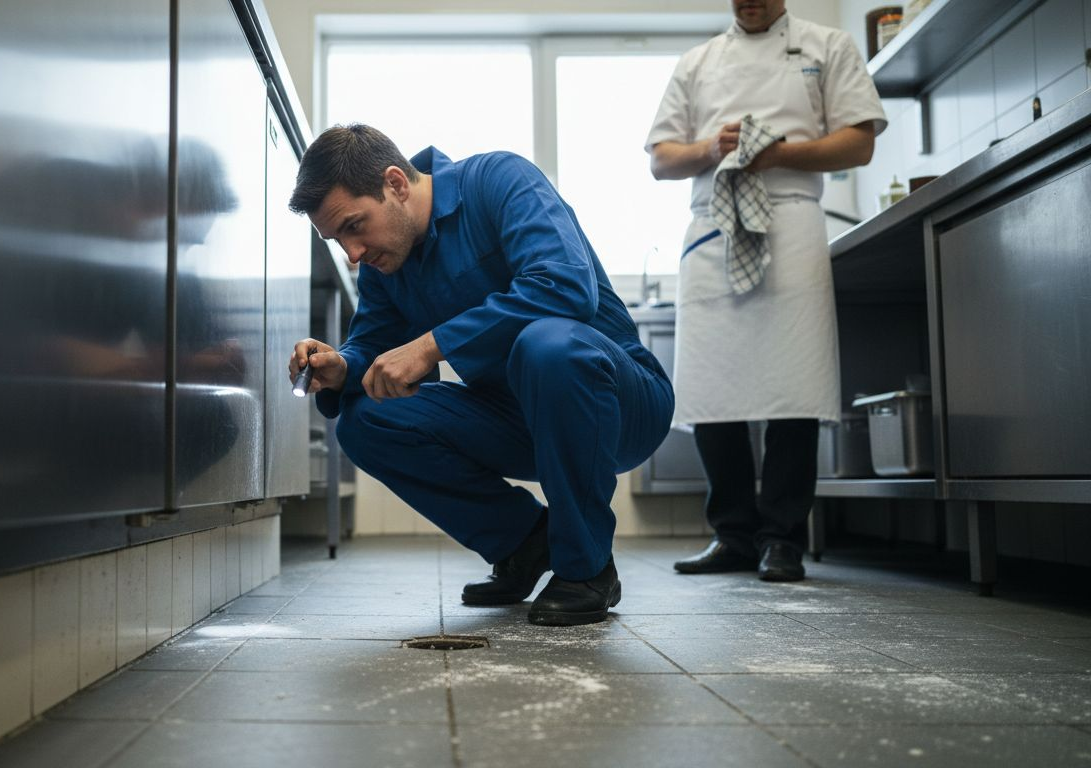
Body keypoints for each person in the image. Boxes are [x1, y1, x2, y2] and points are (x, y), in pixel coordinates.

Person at [286, 124, 674, 626]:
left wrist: (432, 345)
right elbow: (374, 347)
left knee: (546, 344)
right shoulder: (389, 262)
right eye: (338, 239)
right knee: (366, 420)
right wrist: (341, 367)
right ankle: (524, 543)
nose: (352, 253)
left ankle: (587, 567)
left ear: (396, 184)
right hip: (516, 419)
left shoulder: (499, 180)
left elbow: (565, 286)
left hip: (620, 403)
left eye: (354, 226)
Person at [646, 0, 886, 581]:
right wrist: (712, 149)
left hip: (792, 219)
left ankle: (782, 538)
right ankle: (732, 535)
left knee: (793, 384)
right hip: (713, 225)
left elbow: (858, 143)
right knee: (712, 385)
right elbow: (660, 158)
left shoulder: (827, 46)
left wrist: (777, 154)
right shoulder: (699, 62)